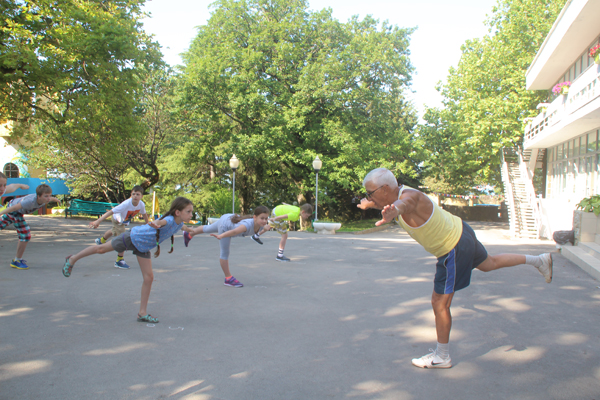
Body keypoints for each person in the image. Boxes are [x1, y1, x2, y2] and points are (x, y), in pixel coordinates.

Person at [358, 168, 553, 369]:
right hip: (461, 231)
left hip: (452, 248)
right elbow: (392, 203)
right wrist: (370, 204)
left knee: (439, 303)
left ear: (385, 189)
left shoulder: (409, 197)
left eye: (370, 193)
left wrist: (394, 211)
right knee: (489, 264)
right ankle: (538, 260)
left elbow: (404, 205)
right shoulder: (395, 194)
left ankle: (442, 356)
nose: (368, 197)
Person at [61, 197, 194, 323]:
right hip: (133, 237)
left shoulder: (179, 223)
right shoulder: (170, 220)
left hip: (143, 246)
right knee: (100, 249)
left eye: (191, 212)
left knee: (149, 278)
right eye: (188, 212)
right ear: (178, 212)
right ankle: (73, 259)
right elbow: (161, 222)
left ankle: (142, 313)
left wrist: (194, 230)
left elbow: (185, 228)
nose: (191, 214)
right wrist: (155, 223)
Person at [183, 206, 270, 287]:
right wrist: (221, 236)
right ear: (255, 217)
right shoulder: (246, 225)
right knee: (225, 252)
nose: (264, 221)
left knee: (207, 229)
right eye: (262, 218)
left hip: (227, 218)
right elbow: (234, 232)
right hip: (225, 227)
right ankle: (228, 278)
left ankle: (189, 234)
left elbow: (256, 235)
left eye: (266, 218)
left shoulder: (262, 226)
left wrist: (265, 230)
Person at [0, 183, 59, 269]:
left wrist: (57, 200)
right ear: (38, 196)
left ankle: (17, 260)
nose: (48, 198)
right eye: (46, 196)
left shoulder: (45, 199)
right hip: (14, 210)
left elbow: (52, 198)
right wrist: (1, 212)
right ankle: (17, 261)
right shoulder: (30, 202)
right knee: (25, 234)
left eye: (50, 196)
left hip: (16, 210)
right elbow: (14, 208)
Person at [89, 185, 149, 269]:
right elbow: (111, 211)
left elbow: (144, 214)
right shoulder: (126, 204)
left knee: (114, 230)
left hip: (123, 221)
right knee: (123, 238)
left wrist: (148, 224)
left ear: (142, 196)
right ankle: (119, 260)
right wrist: (98, 221)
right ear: (131, 195)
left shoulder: (141, 205)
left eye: (137, 194)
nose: (135, 196)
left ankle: (101, 240)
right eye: (133, 194)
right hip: (117, 219)